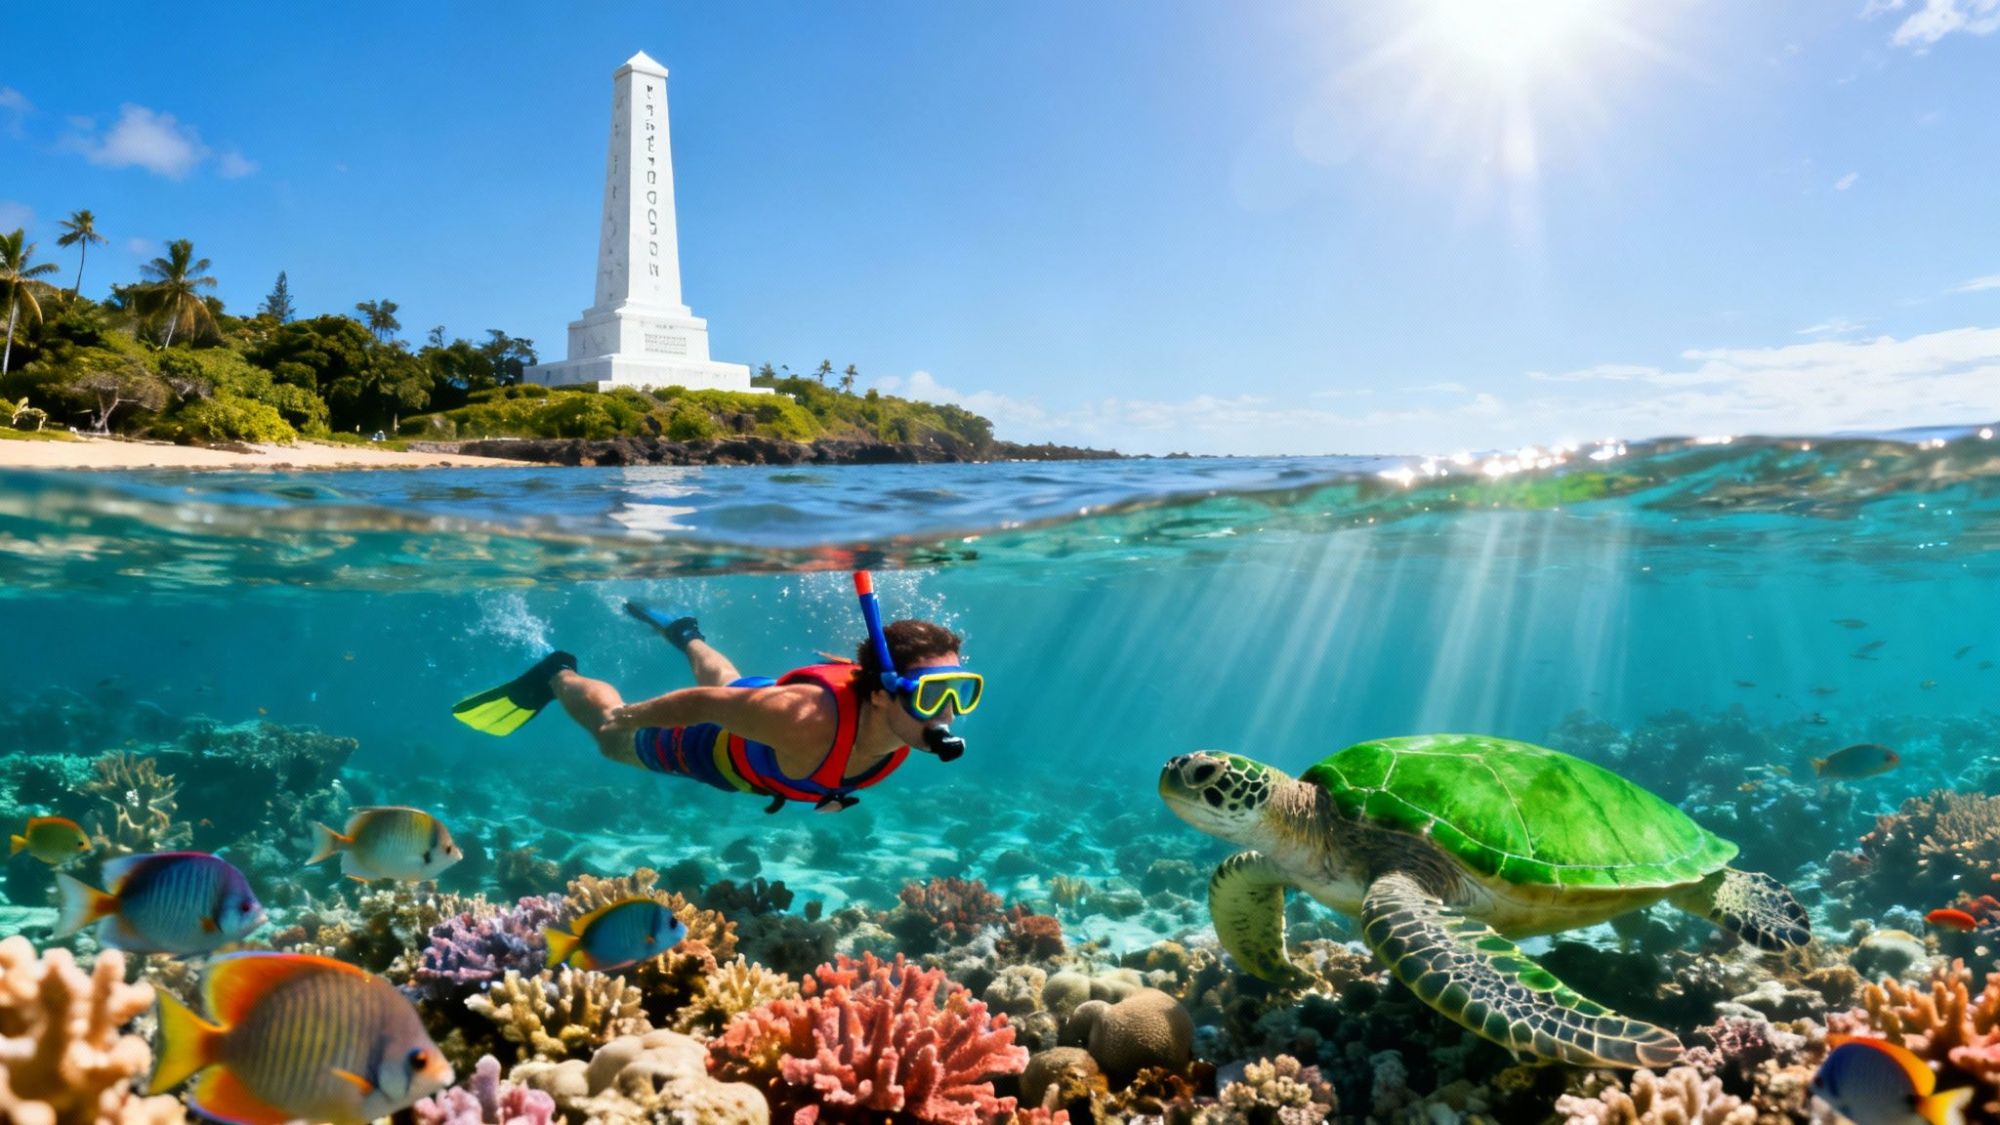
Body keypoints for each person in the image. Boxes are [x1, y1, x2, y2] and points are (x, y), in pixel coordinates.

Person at [450, 572, 982, 813]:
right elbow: (703, 705)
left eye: (960, 691)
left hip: (755, 714)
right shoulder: (801, 719)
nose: (948, 713)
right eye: (931, 694)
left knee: (728, 680)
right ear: (881, 694)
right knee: (612, 742)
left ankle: (686, 632)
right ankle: (558, 674)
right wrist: (630, 716)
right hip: (714, 743)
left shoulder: (903, 728)